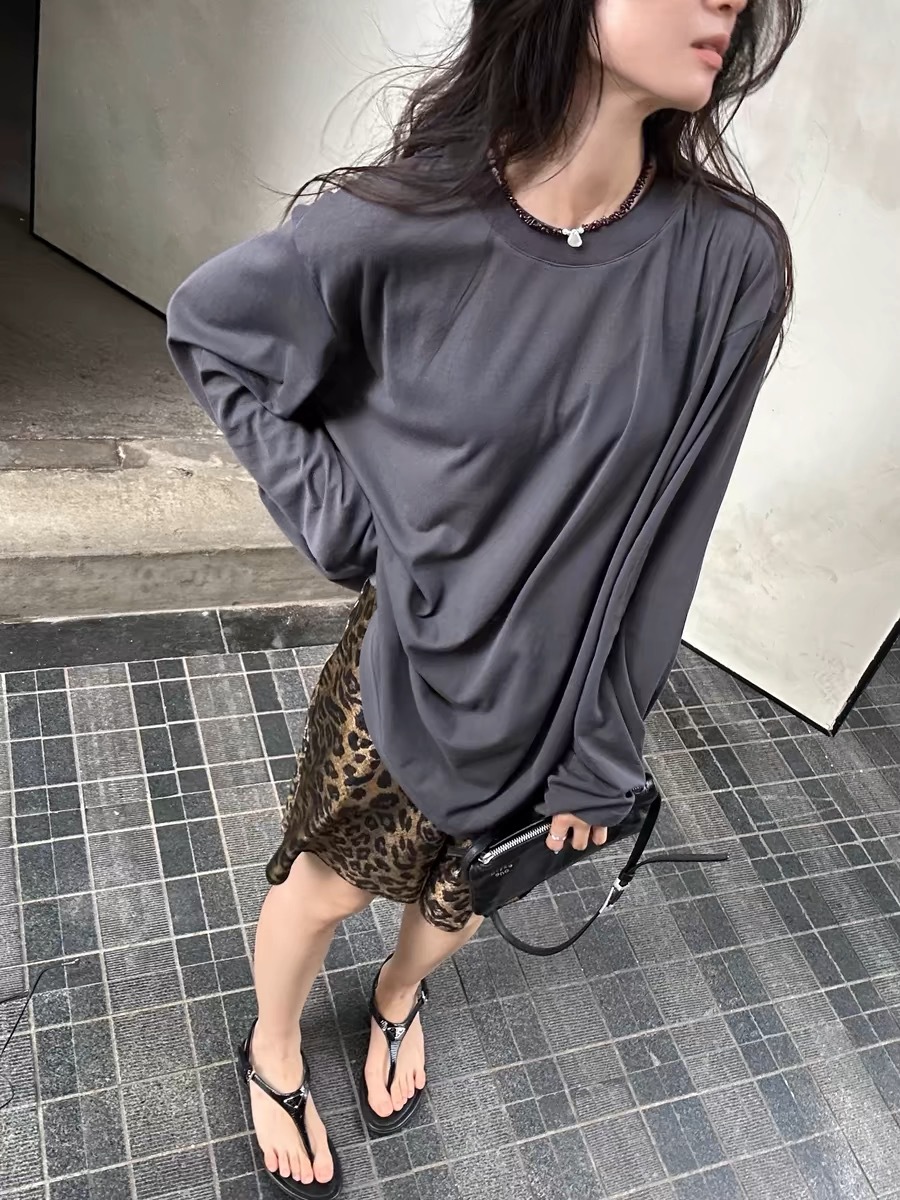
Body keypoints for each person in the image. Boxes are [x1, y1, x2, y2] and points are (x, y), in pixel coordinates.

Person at [167, 0, 803, 1194]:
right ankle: (272, 1047)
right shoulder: (404, 223)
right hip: (408, 666)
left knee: (466, 892)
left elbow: (675, 528)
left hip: (564, 696)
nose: (731, 1)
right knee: (325, 888)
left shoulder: (729, 262)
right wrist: (345, 522)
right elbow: (214, 330)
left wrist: (605, 744)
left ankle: (396, 997)